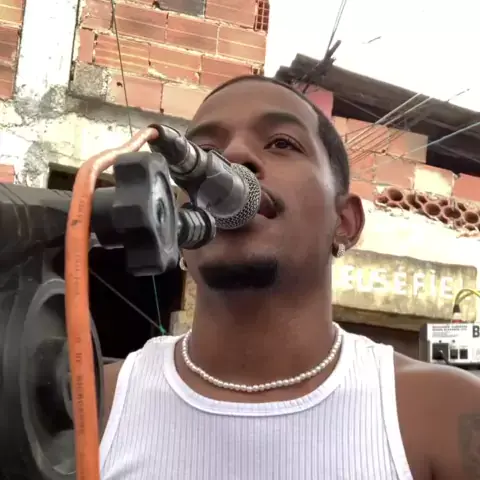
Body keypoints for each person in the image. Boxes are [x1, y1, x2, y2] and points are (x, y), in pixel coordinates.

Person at [100, 75, 480, 480]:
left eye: (282, 143)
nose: (234, 156)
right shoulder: (92, 403)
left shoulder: (446, 410)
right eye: (205, 151)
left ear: (344, 222)